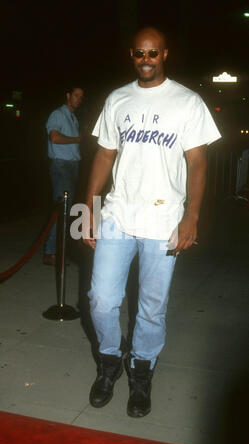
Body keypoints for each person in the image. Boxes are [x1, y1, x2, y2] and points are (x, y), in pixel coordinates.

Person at [83, 27, 221, 417]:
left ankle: (141, 369)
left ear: (165, 54)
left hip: (164, 220)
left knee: (151, 306)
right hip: (117, 215)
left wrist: (192, 216)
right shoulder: (117, 99)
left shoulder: (188, 102)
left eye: (154, 53)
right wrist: (87, 210)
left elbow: (198, 162)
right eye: (140, 53)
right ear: (132, 55)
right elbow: (104, 156)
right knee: (102, 299)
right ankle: (109, 362)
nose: (146, 59)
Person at [43, 86, 84, 265]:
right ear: (67, 95)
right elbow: (54, 137)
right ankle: (51, 252)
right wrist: (76, 139)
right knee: (61, 210)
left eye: (81, 97)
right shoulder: (58, 114)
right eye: (76, 95)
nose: (79, 99)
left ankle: (60, 251)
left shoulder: (73, 118)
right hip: (61, 166)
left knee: (66, 211)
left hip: (72, 166)